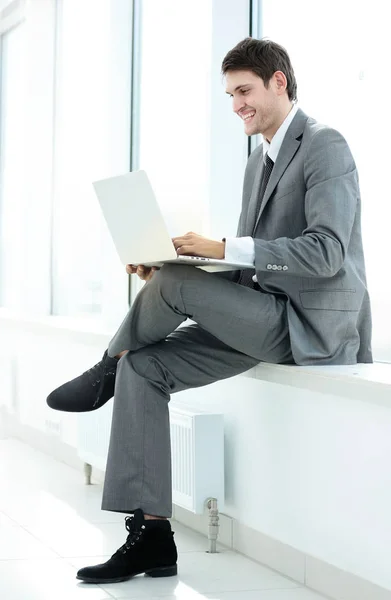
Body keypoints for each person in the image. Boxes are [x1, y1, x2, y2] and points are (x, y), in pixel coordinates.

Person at [47, 37, 372, 584]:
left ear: (279, 82)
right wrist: (184, 272)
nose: (237, 104)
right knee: (143, 366)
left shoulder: (325, 145)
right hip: (262, 310)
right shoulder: (257, 163)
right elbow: (253, 267)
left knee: (174, 285)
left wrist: (219, 250)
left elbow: (327, 252)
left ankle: (105, 360)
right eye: (229, 95)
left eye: (244, 90)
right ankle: (152, 537)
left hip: (307, 326)